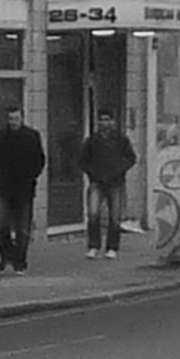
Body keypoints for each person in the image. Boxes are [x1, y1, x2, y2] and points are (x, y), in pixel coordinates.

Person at [0, 106, 46, 274]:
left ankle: (20, 261)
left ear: (22, 118)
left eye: (16, 118)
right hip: (4, 187)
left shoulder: (31, 136)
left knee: (23, 227)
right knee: (1, 224)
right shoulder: (0, 137)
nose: (13, 122)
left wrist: (31, 176)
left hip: (25, 188)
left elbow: (39, 160)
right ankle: (6, 254)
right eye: (10, 119)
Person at [78, 110, 138, 259]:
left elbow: (131, 158)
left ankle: (112, 247)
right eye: (101, 120)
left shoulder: (121, 140)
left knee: (115, 216)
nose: (104, 123)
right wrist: (92, 173)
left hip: (116, 182)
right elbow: (83, 161)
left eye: (107, 120)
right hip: (96, 182)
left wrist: (119, 170)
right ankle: (93, 246)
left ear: (113, 122)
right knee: (93, 214)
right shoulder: (91, 141)